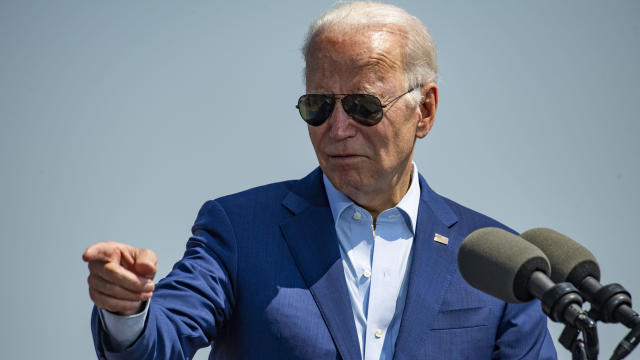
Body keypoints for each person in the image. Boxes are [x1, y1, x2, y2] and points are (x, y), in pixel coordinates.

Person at [83, 2, 557, 359]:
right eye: (318, 106)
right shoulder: (242, 230)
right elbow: (161, 338)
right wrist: (127, 313)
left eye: (363, 106)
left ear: (425, 110)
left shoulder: (495, 260)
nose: (338, 128)